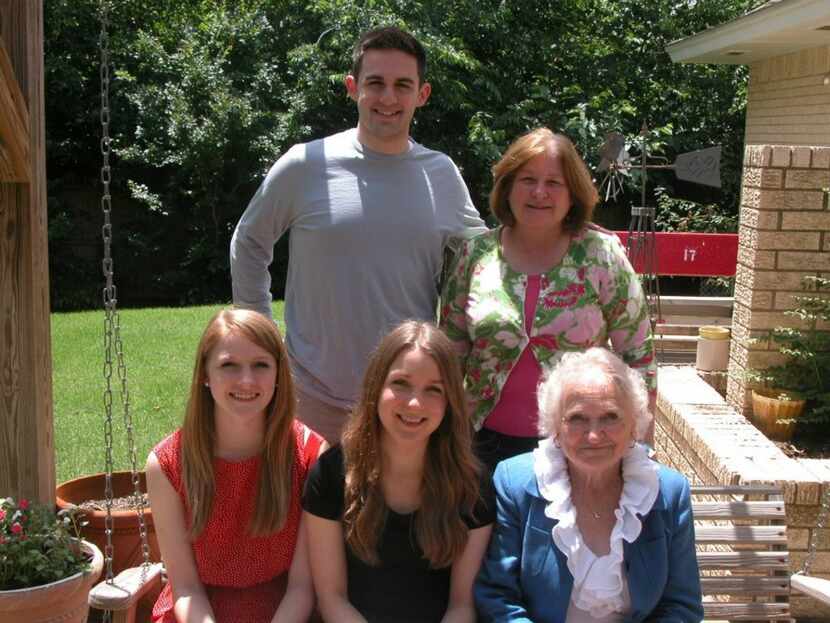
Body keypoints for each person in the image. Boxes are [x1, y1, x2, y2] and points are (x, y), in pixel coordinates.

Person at [230, 26, 486, 443]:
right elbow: (250, 241)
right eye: (375, 83)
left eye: (403, 85)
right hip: (311, 397)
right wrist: (261, 337)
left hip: (406, 401)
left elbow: (488, 255)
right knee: (304, 509)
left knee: (397, 509)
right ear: (353, 88)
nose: (388, 98)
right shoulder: (305, 165)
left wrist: (561, 232)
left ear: (422, 94)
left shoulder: (441, 174)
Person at [440, 128, 655, 472]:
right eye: (527, 179)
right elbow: (450, 353)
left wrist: (638, 446)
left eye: (554, 183)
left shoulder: (601, 256)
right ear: (507, 188)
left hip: (580, 449)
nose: (539, 192)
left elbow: (638, 355)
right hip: (480, 445)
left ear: (573, 193)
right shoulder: (475, 254)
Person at [475, 348, 703, 623]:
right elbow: (498, 597)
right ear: (555, 428)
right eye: (577, 418)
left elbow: (682, 606)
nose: (594, 436)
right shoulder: (515, 483)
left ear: (634, 425)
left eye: (610, 417)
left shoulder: (668, 492)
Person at [302, 321, 494, 623]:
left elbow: (462, 606)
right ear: (376, 387)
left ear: (449, 403)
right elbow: (331, 598)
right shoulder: (331, 473)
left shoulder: (472, 484)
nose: (415, 403)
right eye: (401, 384)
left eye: (433, 389)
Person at [146, 308, 325, 623]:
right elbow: (185, 589)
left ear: (279, 374)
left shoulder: (310, 455)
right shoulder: (167, 464)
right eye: (229, 365)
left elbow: (302, 588)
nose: (246, 380)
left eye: (261, 365)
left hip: (285, 611)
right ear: (204, 374)